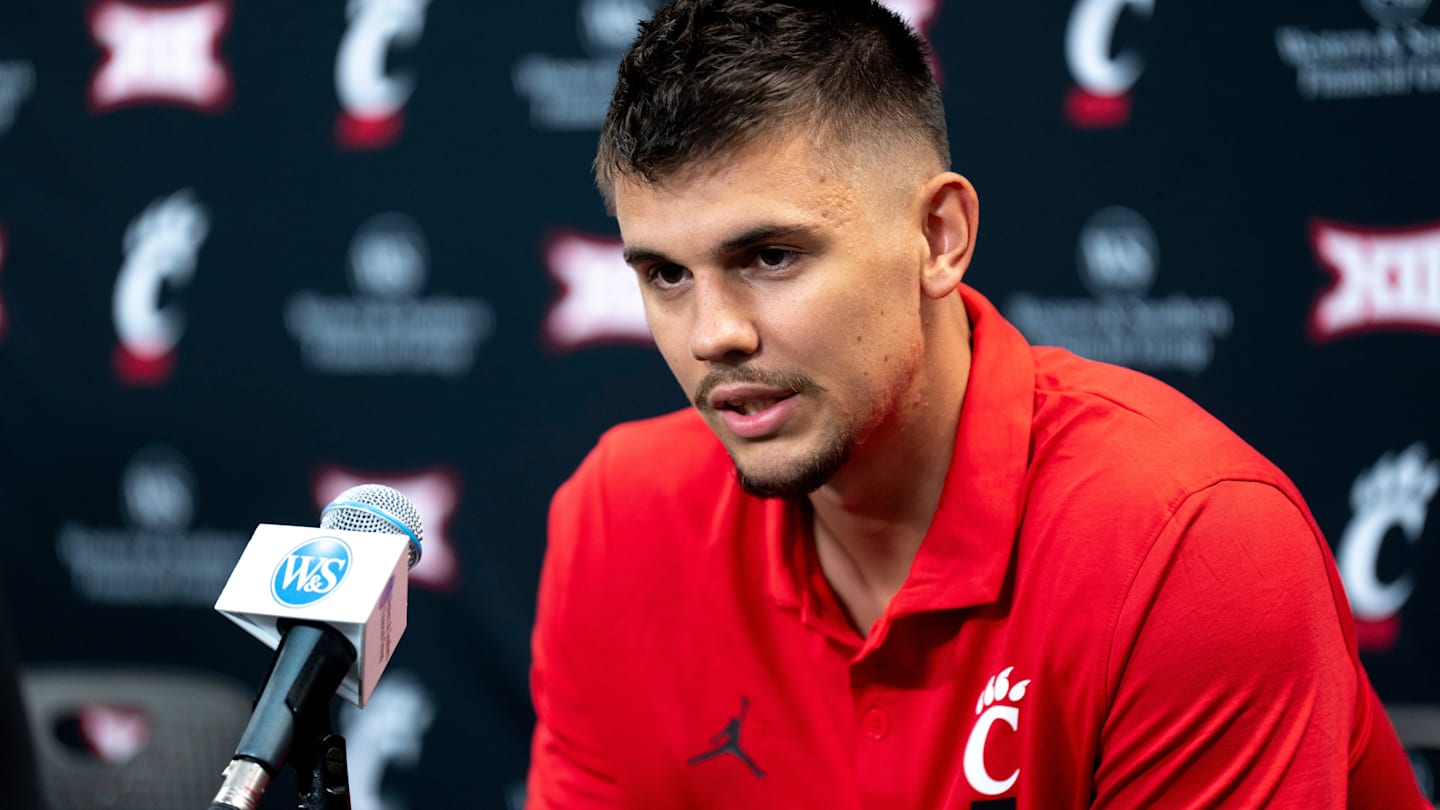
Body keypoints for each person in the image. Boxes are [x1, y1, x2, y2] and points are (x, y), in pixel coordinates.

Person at [526, 1, 1429, 807]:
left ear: (938, 237)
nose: (712, 334)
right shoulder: (617, 516)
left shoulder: (1191, 542)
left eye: (770, 257)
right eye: (666, 275)